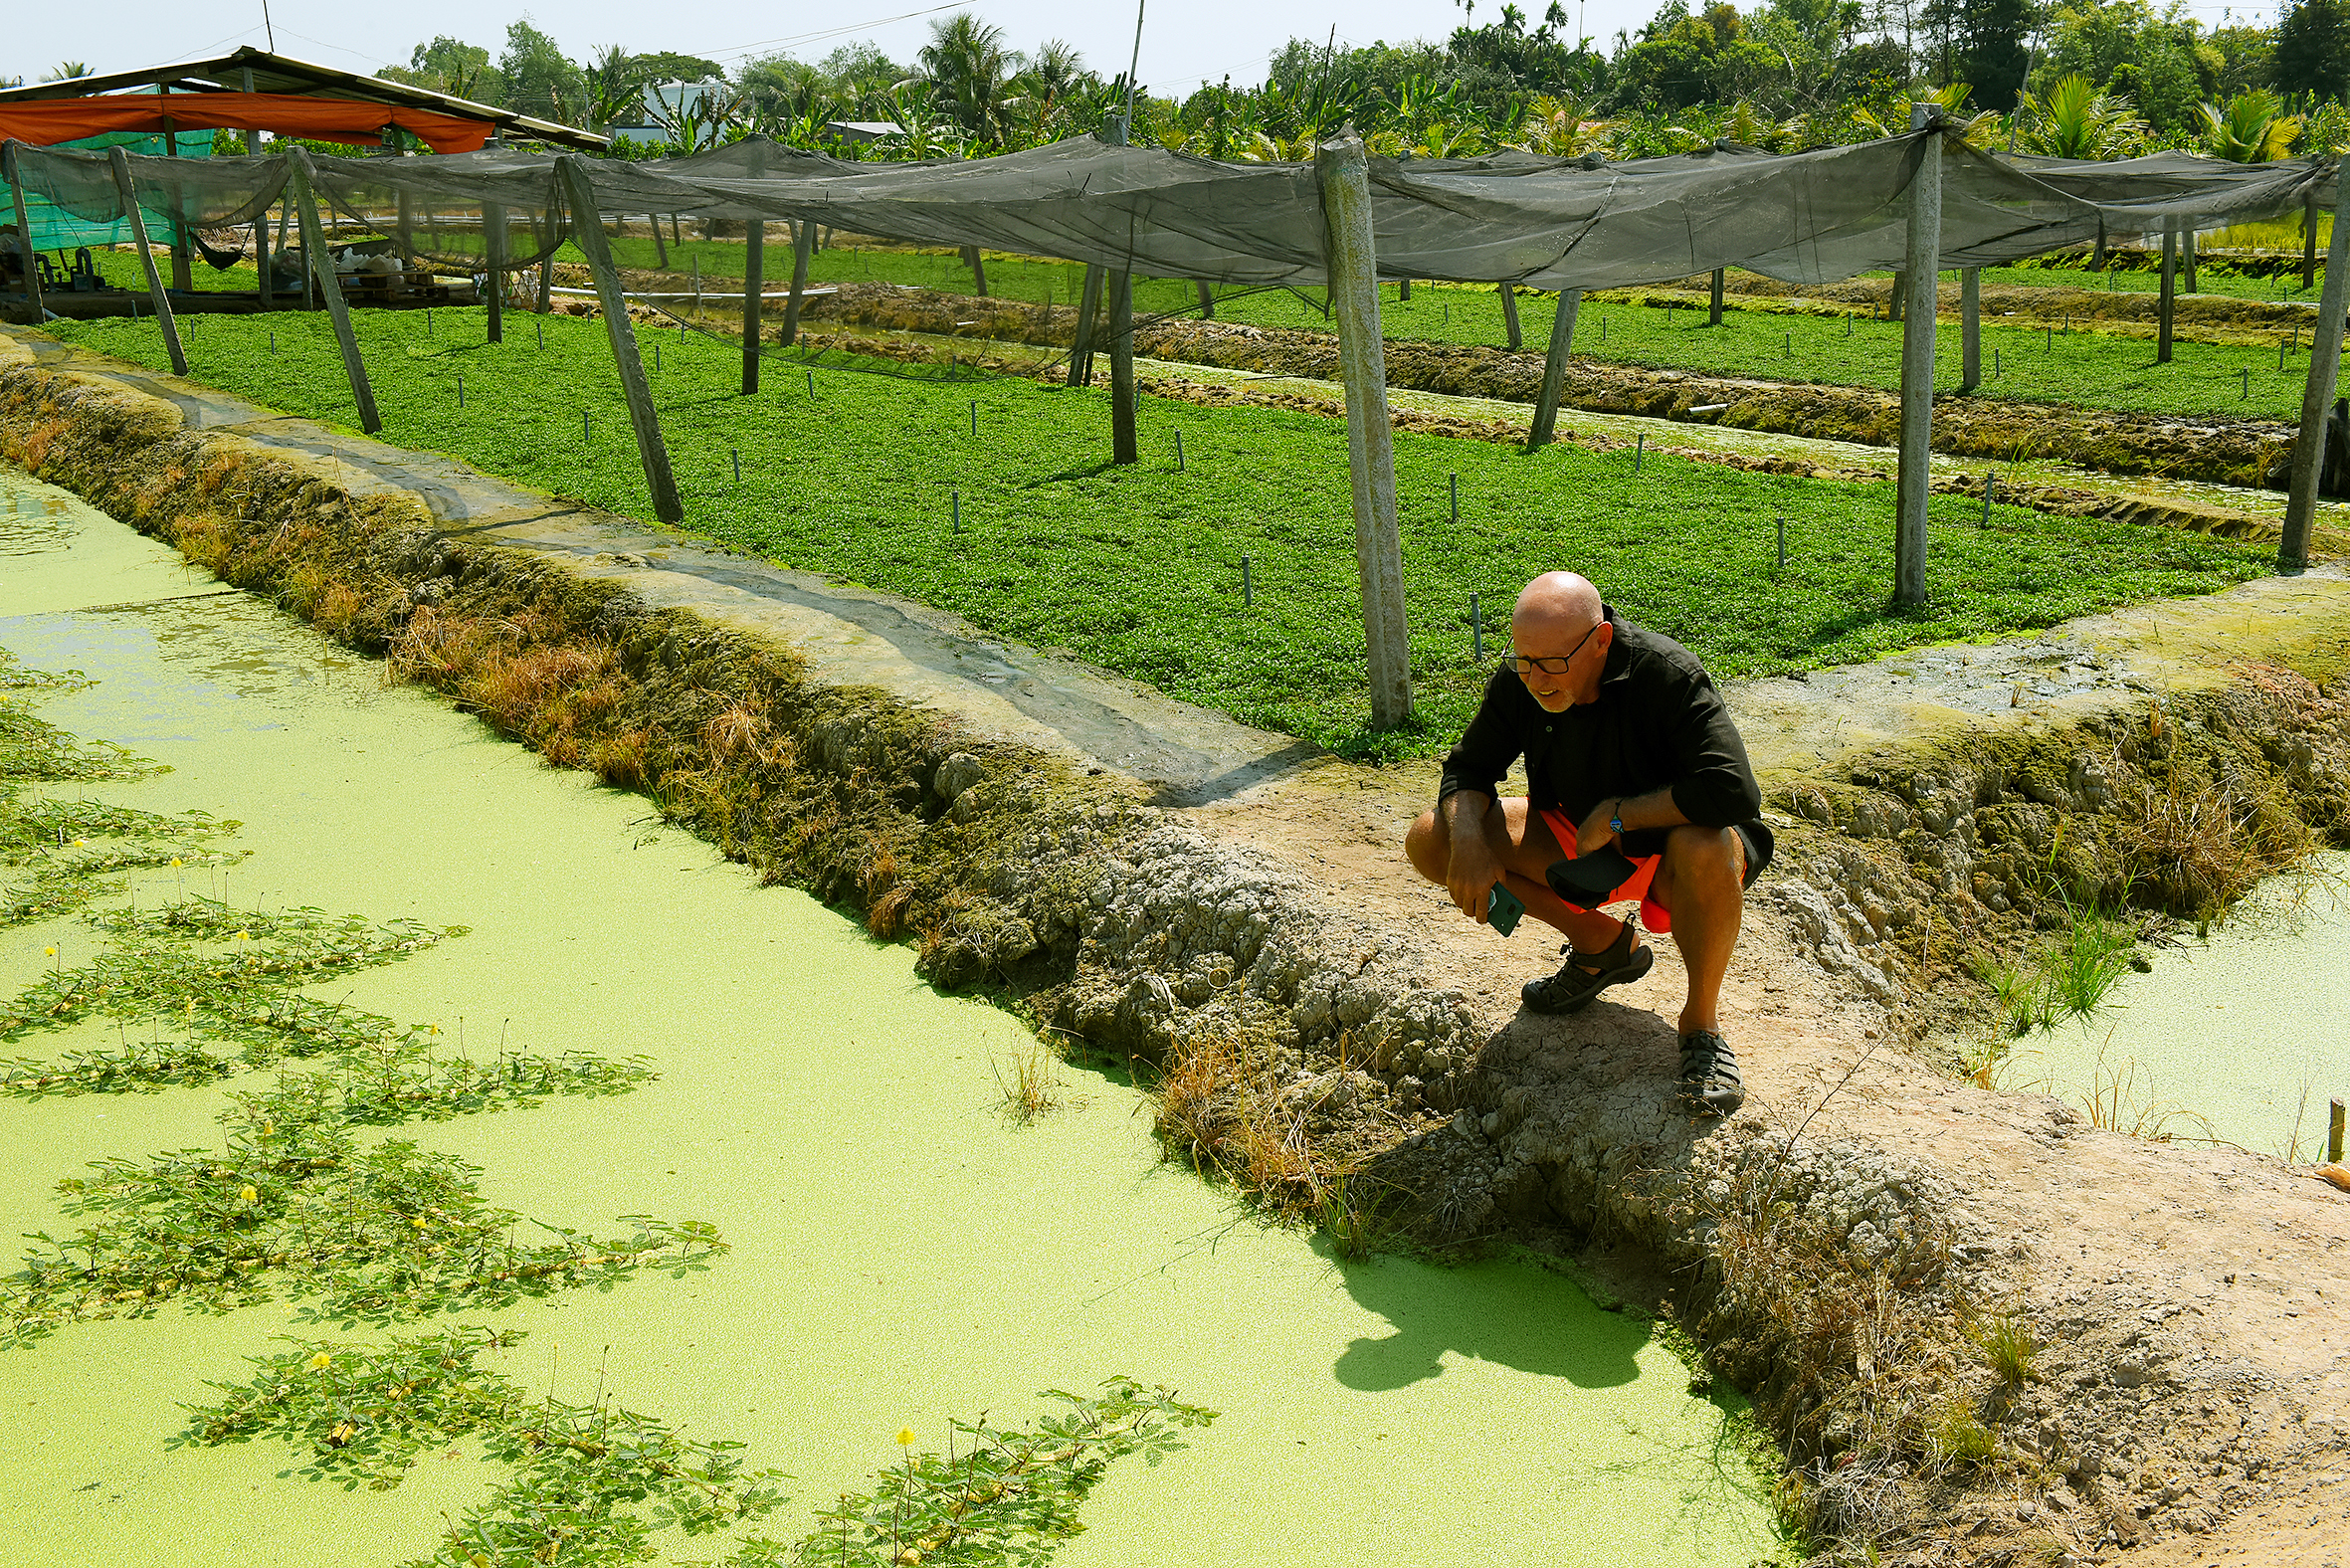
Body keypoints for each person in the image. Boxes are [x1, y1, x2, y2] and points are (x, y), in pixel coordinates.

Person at [1405, 571, 1772, 1115]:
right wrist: (1468, 843)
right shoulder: (1523, 679)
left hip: (1677, 855)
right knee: (1432, 837)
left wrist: (1621, 815)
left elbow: (1733, 790)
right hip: (1582, 842)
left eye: (1553, 663)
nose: (1536, 678)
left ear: (1600, 641)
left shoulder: (1666, 674)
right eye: (1523, 659)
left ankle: (1701, 1026)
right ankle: (1600, 946)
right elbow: (1469, 768)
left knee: (1705, 844)